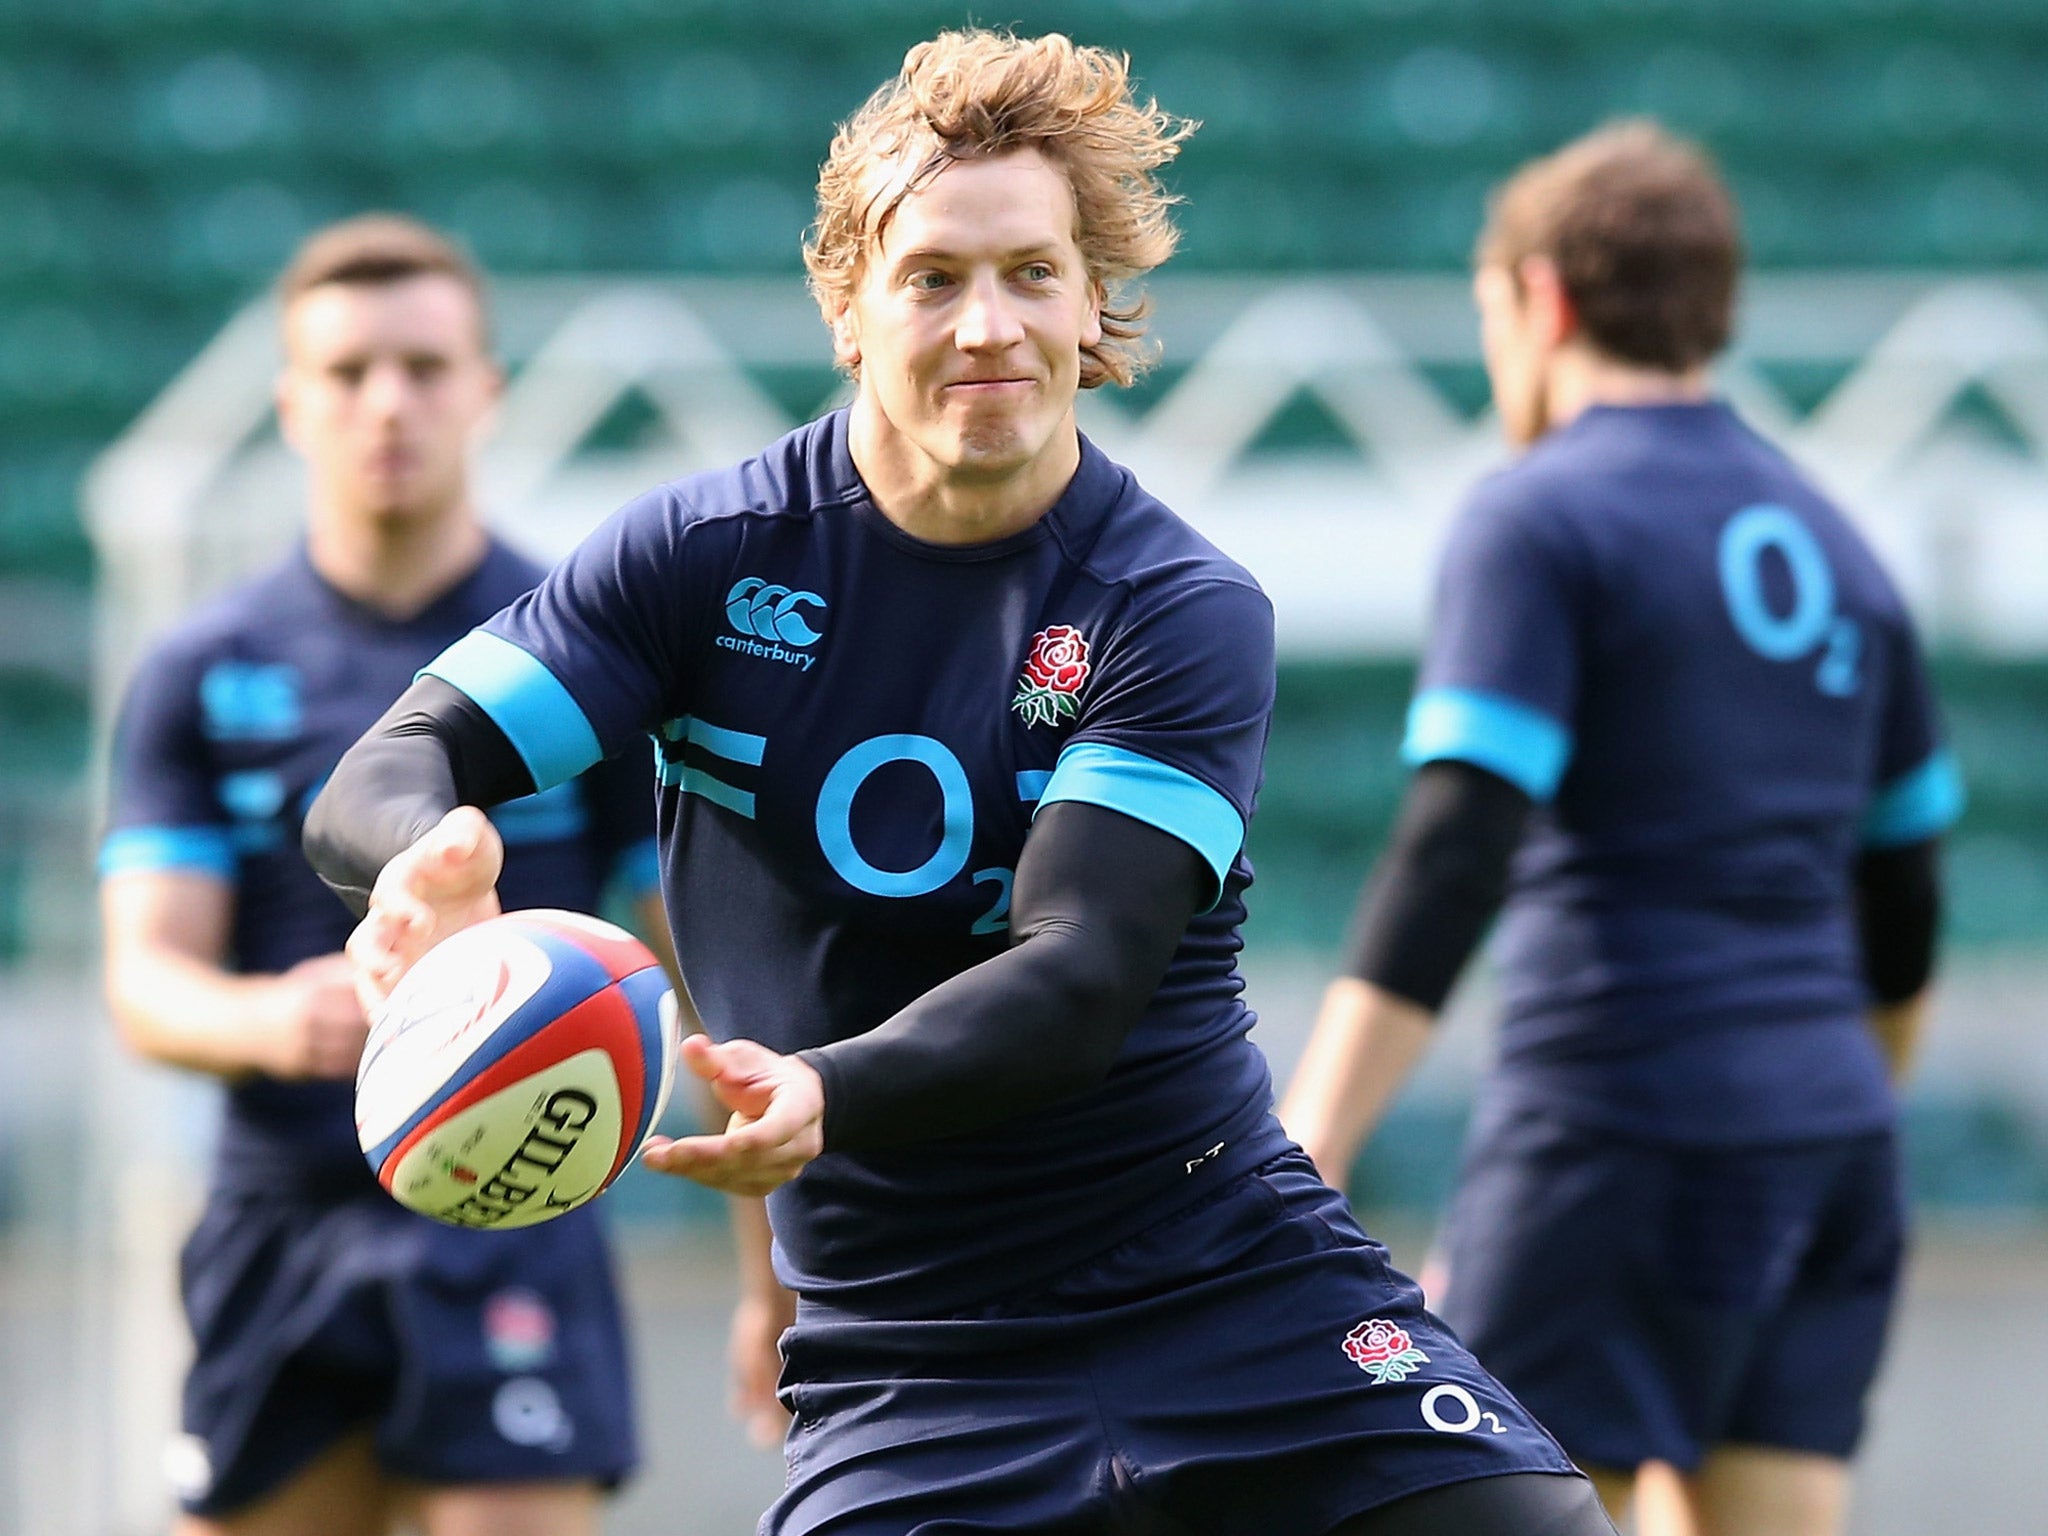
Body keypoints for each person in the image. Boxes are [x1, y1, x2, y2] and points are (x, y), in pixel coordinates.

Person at [302, 32, 1616, 1536]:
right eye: (932, 276)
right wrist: (424, 857)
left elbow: (1076, 976)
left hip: (1227, 1276)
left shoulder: (1172, 603)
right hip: (907, 1350)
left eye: (1031, 274)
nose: (987, 324)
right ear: (849, 307)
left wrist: (823, 1089)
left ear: (1093, 302)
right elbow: (388, 767)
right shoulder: (706, 557)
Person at [1279, 122, 1961, 1536]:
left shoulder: (1539, 516)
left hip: (1620, 1114)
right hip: (1827, 1133)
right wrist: (1835, 1093)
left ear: (1543, 298)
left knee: (1477, 1508)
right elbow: (1904, 894)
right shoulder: (1839, 537)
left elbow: (1458, 841)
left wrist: (1311, 1137)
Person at [99, 215, 678, 1536]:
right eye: (350, 371)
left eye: (424, 366)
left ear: (487, 390)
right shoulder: (204, 666)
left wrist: (775, 1266)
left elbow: (704, 973)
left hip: (516, 1203)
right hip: (284, 1213)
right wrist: (282, 1021)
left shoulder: (582, 659)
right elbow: (145, 986)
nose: (390, 403)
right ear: (293, 405)